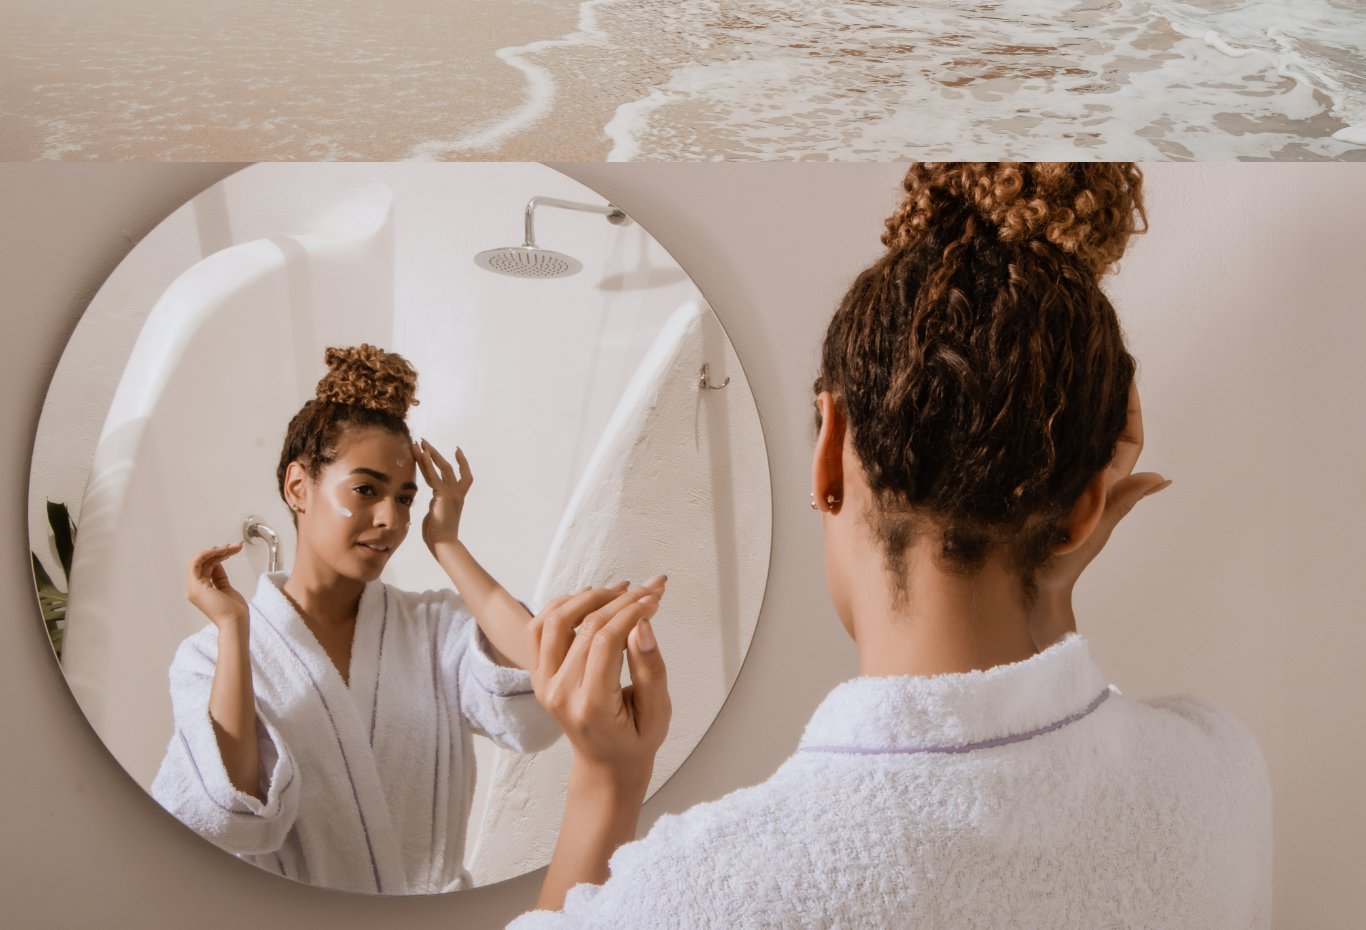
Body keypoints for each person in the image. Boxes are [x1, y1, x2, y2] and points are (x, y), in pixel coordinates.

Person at [501, 164, 1272, 928]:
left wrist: (607, 780)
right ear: (1077, 513)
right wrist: (1050, 588)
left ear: (830, 450)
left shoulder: (698, 896)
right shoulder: (1217, 775)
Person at [150, 340, 664, 893]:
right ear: (298, 487)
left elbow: (544, 688)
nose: (389, 519)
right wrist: (233, 628)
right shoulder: (208, 657)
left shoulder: (431, 627)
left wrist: (447, 543)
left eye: (404, 498)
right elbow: (231, 814)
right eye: (367, 489)